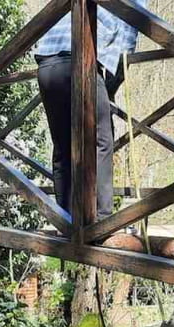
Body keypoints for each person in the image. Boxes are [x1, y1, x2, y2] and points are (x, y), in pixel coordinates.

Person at [33, 3, 143, 231]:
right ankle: (102, 219)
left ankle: (65, 219)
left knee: (62, 146)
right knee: (101, 141)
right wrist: (109, 85)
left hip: (46, 65)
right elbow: (130, 33)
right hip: (81, 63)